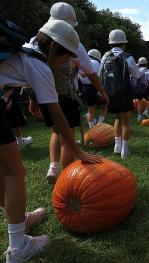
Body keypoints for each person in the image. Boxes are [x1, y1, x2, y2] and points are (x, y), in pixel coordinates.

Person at [0, 19, 101, 263]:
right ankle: (18, 246)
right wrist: (79, 152)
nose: (66, 62)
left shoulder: (21, 51)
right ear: (55, 50)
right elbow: (59, 116)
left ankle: (18, 219)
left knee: (3, 171)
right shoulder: (39, 65)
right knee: (14, 172)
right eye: (66, 57)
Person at [43, 2, 109, 183]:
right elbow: (91, 73)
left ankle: (53, 167)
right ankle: (65, 176)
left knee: (56, 131)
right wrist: (102, 92)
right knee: (68, 136)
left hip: (45, 95)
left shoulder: (38, 38)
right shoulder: (73, 42)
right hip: (66, 96)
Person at [100, 29, 140, 158]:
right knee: (126, 121)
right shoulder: (128, 57)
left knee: (117, 117)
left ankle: (117, 147)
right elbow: (137, 75)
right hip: (124, 93)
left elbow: (99, 74)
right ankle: (125, 150)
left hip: (110, 93)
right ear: (124, 43)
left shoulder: (105, 56)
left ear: (110, 43)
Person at [79, 49, 107, 128]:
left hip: (84, 88)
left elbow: (79, 76)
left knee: (90, 110)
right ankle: (99, 124)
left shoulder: (83, 63)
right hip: (95, 87)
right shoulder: (97, 63)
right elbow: (99, 77)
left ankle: (91, 128)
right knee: (106, 106)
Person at [133, 57, 149, 121]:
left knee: (139, 102)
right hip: (145, 88)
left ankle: (139, 116)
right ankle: (146, 111)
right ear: (146, 64)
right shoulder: (148, 71)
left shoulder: (137, 70)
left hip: (138, 89)